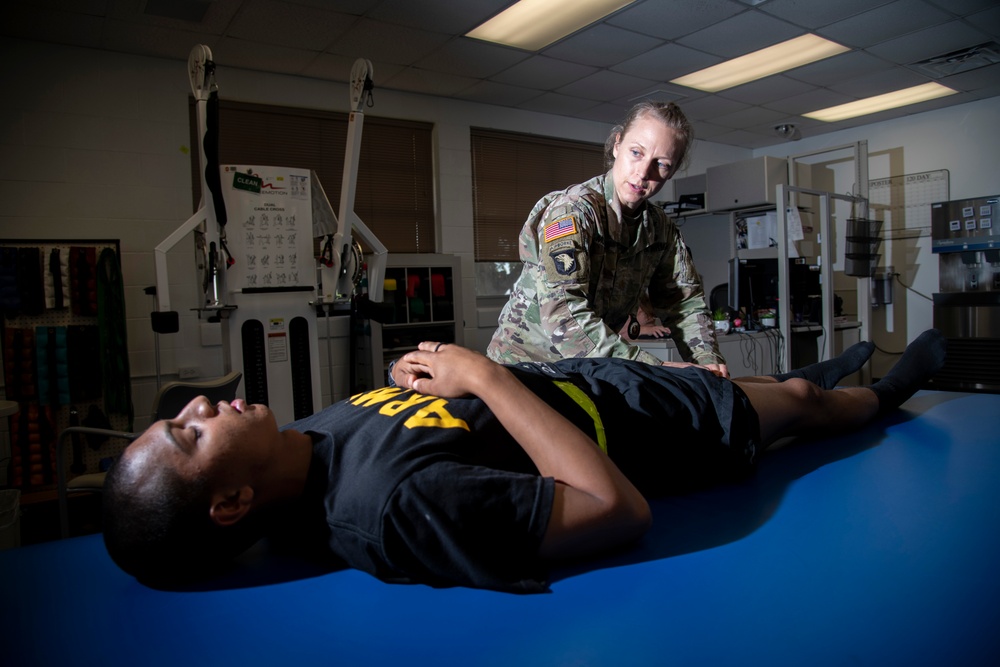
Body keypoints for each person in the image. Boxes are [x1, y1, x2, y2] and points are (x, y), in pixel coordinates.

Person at [102, 330, 947, 593]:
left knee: (758, 381)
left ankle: (817, 374)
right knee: (793, 411)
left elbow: (427, 419)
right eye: (189, 434)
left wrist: (422, 379)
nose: (198, 405)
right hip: (642, 433)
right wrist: (484, 375)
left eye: (178, 416)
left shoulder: (312, 437)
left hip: (585, 382)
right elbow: (614, 507)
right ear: (229, 503)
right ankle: (881, 393)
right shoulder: (391, 506)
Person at [487, 101, 727, 376]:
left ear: (671, 172)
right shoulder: (572, 212)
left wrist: (708, 362)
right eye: (636, 153)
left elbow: (684, 304)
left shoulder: (661, 229)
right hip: (523, 367)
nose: (643, 173)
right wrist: (654, 369)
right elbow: (563, 313)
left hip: (584, 369)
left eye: (661, 164)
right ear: (617, 145)